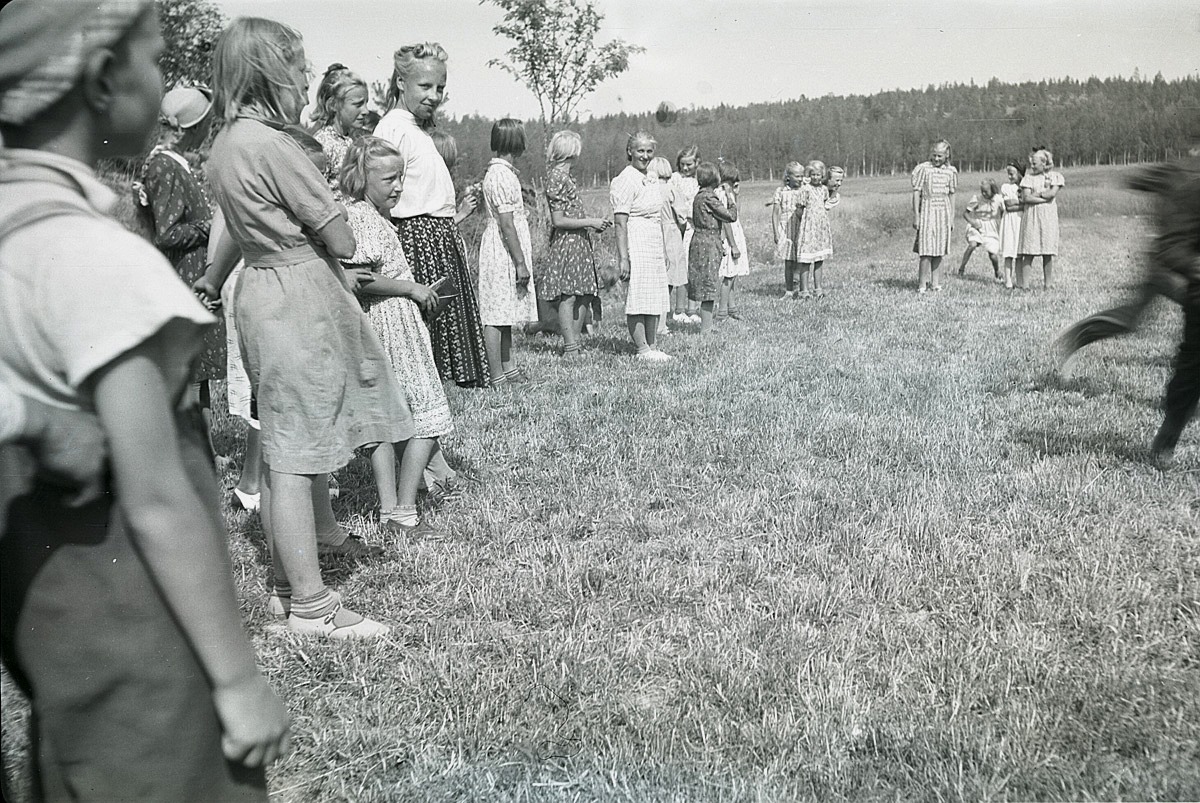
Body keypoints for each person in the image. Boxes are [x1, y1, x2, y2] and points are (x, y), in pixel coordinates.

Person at [0, 1, 290, 797]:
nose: (164, 82)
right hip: (142, 623)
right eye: (155, 59)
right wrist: (233, 679)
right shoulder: (93, 257)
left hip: (54, 616)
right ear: (102, 79)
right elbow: (159, 497)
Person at [206, 16, 407, 639]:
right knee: (295, 460)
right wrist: (332, 225)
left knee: (281, 447)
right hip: (296, 294)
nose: (303, 77)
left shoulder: (226, 145)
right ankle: (314, 608)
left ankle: (284, 589)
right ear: (269, 72)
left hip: (263, 291)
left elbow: (237, 236)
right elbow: (339, 232)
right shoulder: (274, 146)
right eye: (296, 66)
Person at [1056, 136, 1200, 464]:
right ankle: (1172, 427)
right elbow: (1168, 240)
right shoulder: (1181, 179)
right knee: (1141, 327)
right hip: (1172, 272)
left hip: (1176, 271)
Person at [339, 137, 450, 533]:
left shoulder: (364, 215)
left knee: (384, 421)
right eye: (389, 178)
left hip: (383, 323)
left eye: (401, 177)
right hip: (390, 324)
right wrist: (411, 289)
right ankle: (405, 508)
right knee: (428, 414)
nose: (398, 186)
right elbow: (362, 278)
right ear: (360, 177)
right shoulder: (364, 219)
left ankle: (390, 510)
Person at [374, 42, 489, 388]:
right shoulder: (392, 129)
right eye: (425, 87)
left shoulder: (417, 129)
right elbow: (380, 195)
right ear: (400, 83)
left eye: (440, 88)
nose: (434, 95)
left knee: (445, 324)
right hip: (417, 238)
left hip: (439, 236)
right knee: (424, 326)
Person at [137, 85, 226, 441]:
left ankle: (203, 446)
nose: (210, 130)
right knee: (187, 372)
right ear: (193, 126)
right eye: (207, 124)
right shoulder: (164, 166)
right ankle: (188, 447)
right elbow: (167, 233)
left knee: (197, 371)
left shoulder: (176, 163)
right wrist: (209, 227)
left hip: (191, 276)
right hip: (182, 278)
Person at [478, 118, 538, 386]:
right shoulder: (501, 176)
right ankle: (496, 374)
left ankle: (509, 368)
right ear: (517, 142)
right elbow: (506, 223)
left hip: (506, 247)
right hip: (502, 250)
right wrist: (520, 262)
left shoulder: (505, 173)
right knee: (495, 312)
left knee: (506, 310)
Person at [542, 129, 608, 355]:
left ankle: (575, 344)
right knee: (569, 295)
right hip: (568, 243)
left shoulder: (564, 177)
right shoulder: (557, 178)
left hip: (578, 241)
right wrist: (591, 221)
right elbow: (558, 220)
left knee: (583, 294)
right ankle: (570, 346)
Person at [612, 131, 673, 360]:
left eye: (649, 151)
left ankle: (653, 345)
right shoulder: (625, 179)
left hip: (653, 240)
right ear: (630, 151)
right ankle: (641, 349)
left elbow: (657, 217)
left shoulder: (652, 177)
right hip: (635, 239)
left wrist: (664, 250)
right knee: (639, 294)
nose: (645, 156)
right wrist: (623, 256)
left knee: (655, 293)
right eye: (640, 151)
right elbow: (620, 221)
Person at [688, 160, 737, 333]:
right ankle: (706, 328)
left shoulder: (698, 196)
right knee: (708, 286)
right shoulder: (709, 197)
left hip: (699, 239)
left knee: (703, 284)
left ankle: (706, 326)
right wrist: (731, 198)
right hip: (709, 242)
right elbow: (730, 216)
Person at [309, 63, 369, 189]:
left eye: (366, 104)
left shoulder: (352, 140)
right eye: (358, 105)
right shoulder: (323, 144)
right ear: (333, 105)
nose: (366, 111)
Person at [912, 139, 957, 293]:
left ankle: (935, 283)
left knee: (939, 249)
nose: (936, 159)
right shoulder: (924, 169)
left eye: (940, 156)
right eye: (934, 155)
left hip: (943, 211)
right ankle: (922, 284)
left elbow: (952, 195)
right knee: (926, 250)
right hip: (927, 210)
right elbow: (916, 191)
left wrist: (951, 217)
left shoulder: (951, 172)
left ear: (947, 155)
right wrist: (916, 216)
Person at [1016, 147, 1064, 289]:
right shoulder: (1028, 178)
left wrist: (1036, 194)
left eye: (1035, 163)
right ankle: (1025, 285)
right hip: (1032, 217)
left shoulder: (1055, 177)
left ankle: (1048, 284)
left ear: (1045, 163)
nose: (1032, 166)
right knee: (1029, 251)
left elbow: (1051, 194)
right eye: (1031, 163)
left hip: (1048, 218)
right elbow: (1026, 198)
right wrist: (1043, 198)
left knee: (1047, 252)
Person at [668, 145, 701, 322]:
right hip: (680, 226)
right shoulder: (675, 178)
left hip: (697, 227)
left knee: (693, 268)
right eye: (682, 164)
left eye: (689, 164)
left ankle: (692, 308)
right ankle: (678, 310)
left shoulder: (699, 180)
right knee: (681, 267)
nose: (685, 168)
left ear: (697, 163)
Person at [647, 155, 678, 335]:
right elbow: (681, 214)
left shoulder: (648, 189)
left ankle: (655, 323)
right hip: (669, 232)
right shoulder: (670, 189)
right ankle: (661, 324)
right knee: (668, 281)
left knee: (656, 282)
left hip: (652, 233)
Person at [794, 159, 833, 298]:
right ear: (809, 175)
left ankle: (818, 289)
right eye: (813, 175)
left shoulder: (823, 190)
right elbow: (799, 209)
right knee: (806, 260)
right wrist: (806, 223)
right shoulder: (805, 189)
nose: (816, 177)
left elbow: (824, 205)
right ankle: (804, 290)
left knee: (819, 259)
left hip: (820, 229)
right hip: (809, 228)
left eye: (818, 175)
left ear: (822, 175)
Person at [716, 160, 749, 319]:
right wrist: (733, 245)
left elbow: (737, 215)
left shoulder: (729, 194)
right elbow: (726, 221)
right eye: (729, 182)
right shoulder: (721, 194)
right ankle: (722, 312)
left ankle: (732, 308)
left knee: (733, 275)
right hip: (729, 238)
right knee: (728, 276)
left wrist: (736, 194)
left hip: (735, 233)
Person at [957, 177, 1004, 280]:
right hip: (977, 224)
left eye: (986, 191)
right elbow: (966, 213)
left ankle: (997, 271)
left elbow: (1004, 213)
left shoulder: (999, 199)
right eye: (982, 191)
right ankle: (961, 268)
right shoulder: (977, 199)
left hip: (992, 227)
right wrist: (972, 222)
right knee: (972, 244)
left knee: (993, 254)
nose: (983, 194)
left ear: (993, 189)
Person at [772, 160, 805, 299]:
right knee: (788, 261)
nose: (800, 179)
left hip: (801, 226)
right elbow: (775, 213)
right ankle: (789, 290)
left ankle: (802, 289)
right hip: (785, 228)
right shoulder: (781, 191)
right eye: (797, 176)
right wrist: (776, 232)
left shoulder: (804, 190)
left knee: (802, 259)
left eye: (802, 175)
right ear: (788, 176)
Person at [998, 161, 1024, 289]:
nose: (1009, 177)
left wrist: (1017, 203)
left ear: (1020, 174)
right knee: (1009, 252)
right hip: (1009, 222)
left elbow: (1025, 203)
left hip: (1020, 221)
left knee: (1019, 254)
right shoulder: (1006, 188)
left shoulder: (1023, 188)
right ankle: (1008, 280)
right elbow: (1008, 206)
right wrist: (1019, 203)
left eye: (1012, 174)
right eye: (1008, 174)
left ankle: (1020, 281)